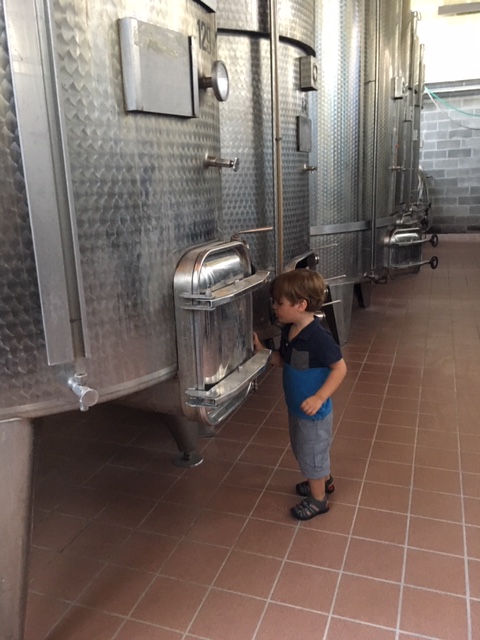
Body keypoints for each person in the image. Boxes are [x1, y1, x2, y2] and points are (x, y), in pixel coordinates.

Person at [253, 269, 347, 521]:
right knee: (304, 450)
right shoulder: (289, 330)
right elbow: (283, 360)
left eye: (279, 302)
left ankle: (319, 500)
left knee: (311, 454)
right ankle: (324, 480)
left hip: (314, 415)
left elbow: (340, 368)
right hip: (296, 408)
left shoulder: (319, 338)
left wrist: (319, 398)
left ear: (300, 305)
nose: (274, 307)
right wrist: (262, 351)